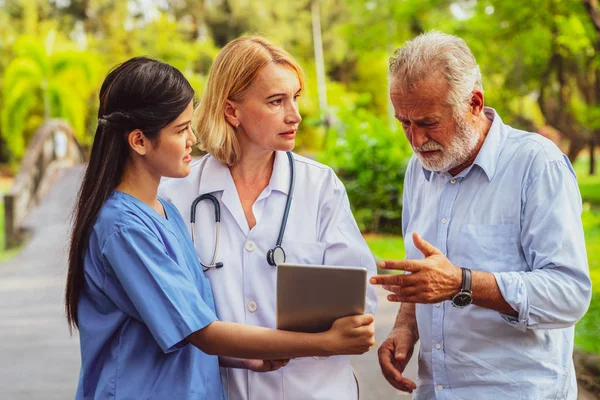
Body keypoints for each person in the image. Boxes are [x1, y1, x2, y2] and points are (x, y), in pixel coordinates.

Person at [65, 56, 375, 400]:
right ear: (139, 141)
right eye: (181, 130)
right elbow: (202, 332)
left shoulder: (164, 211)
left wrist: (246, 358)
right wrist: (323, 343)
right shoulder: (125, 228)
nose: (192, 140)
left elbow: (183, 328)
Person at [369, 31, 591, 399]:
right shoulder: (419, 168)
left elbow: (569, 295)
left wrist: (463, 283)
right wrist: (405, 327)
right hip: (435, 390)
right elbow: (426, 271)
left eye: (427, 122)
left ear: (474, 103)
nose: (415, 139)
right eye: (403, 122)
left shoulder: (536, 164)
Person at [159, 36, 378, 400]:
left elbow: (361, 303)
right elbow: (174, 320)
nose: (295, 115)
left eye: (296, 97)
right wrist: (245, 351)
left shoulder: (319, 187)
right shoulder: (177, 197)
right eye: (276, 101)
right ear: (232, 111)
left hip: (314, 390)